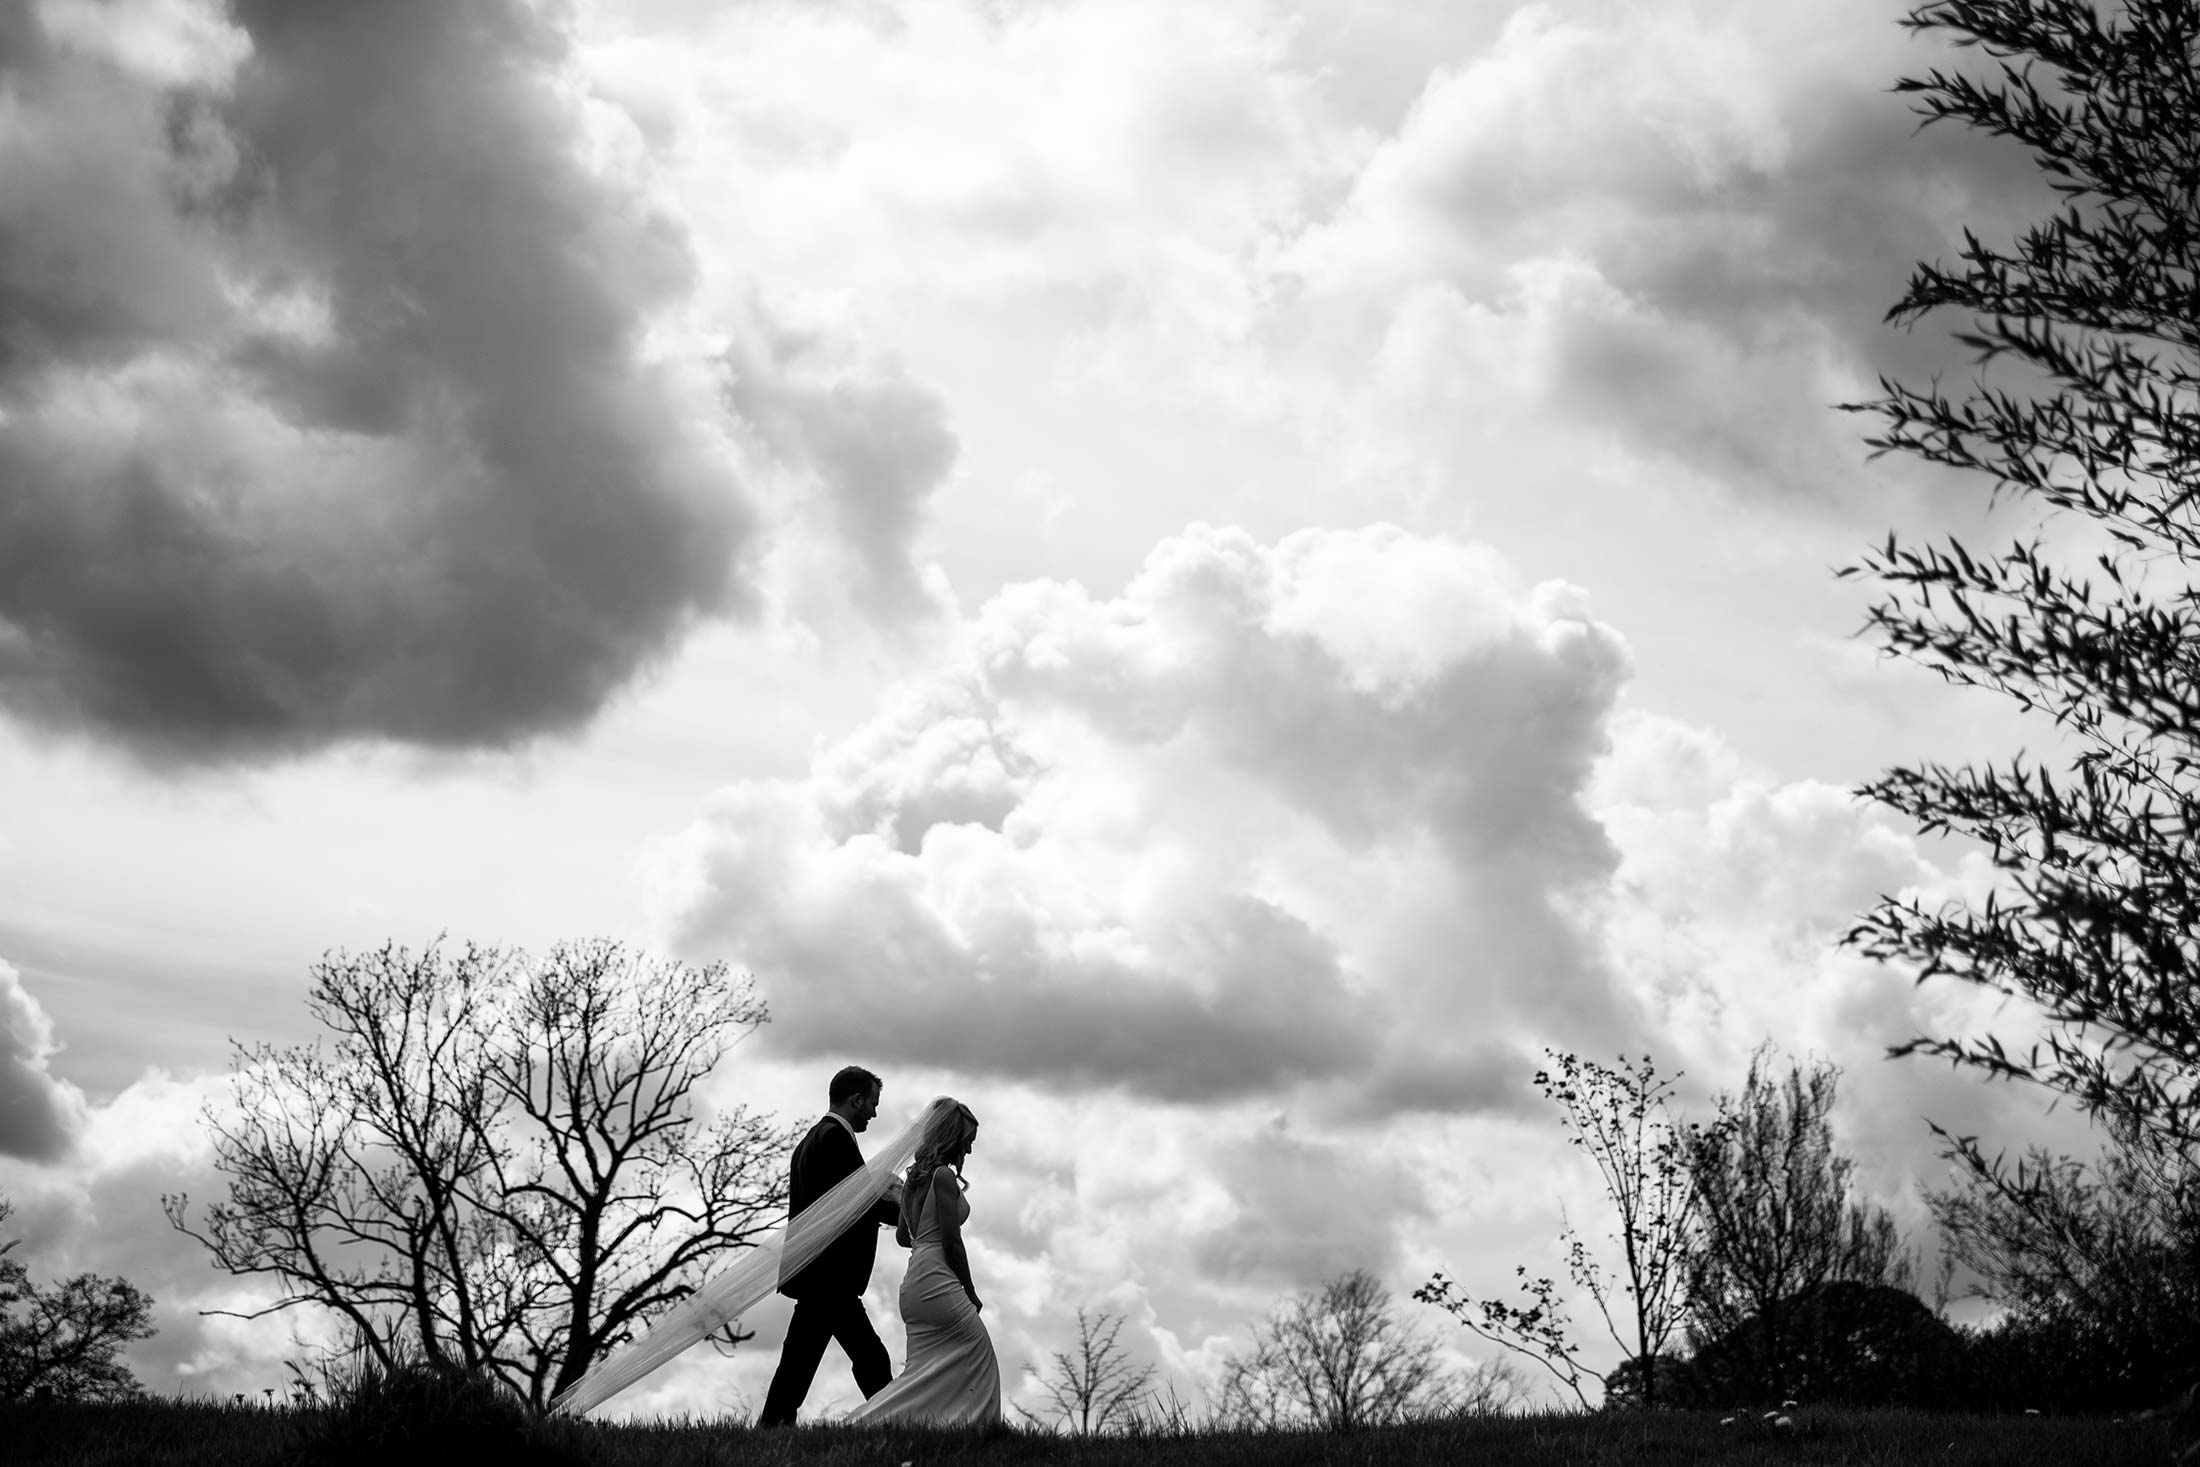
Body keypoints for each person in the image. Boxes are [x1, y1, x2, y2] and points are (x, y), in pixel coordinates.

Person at [757, 1065, 904, 1427]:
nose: (874, 1113)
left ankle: (772, 1427)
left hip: (816, 1276)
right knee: (870, 1357)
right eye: (873, 1103)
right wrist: (907, 1209)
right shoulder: (835, 1139)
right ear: (856, 1099)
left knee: (798, 1365)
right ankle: (893, 1424)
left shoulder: (809, 1141)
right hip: (831, 1277)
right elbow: (856, 1204)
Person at [848, 1098, 1001, 1427]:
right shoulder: (943, 1176)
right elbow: (952, 1241)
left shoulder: (914, 1178)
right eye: (968, 1141)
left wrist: (922, 1226)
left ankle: (911, 1426)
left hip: (913, 1283)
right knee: (978, 1353)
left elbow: (904, 1237)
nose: (969, 1150)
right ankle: (976, 1428)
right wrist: (970, 1291)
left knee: (921, 1373)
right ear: (953, 1137)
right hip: (937, 1278)